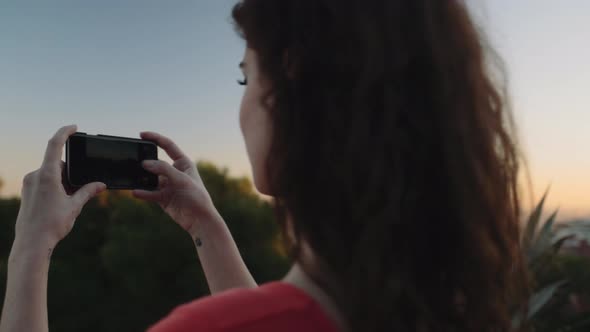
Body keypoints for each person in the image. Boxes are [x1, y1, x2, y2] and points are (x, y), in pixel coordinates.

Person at [0, 0, 531, 331]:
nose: (244, 101)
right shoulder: (450, 309)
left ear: (290, 85)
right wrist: (205, 225)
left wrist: (29, 250)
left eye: (244, 77)